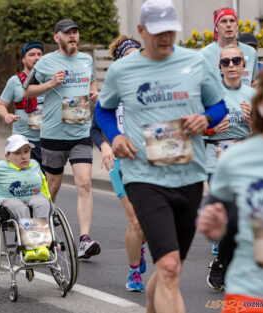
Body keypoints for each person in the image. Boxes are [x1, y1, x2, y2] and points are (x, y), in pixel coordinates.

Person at [96, 0, 227, 312]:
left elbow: (218, 104)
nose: (166, 37)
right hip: (144, 176)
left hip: (190, 175)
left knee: (170, 269)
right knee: (168, 267)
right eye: (158, 32)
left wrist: (207, 119)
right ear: (141, 31)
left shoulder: (195, 63)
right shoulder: (122, 69)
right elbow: (103, 109)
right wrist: (115, 137)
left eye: (171, 31)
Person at [197, 62, 263, 313]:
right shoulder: (237, 159)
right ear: (262, 105)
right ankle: (221, 265)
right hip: (252, 293)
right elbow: (216, 217)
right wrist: (212, 223)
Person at [24, 19, 100, 259]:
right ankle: (38, 239)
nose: (73, 37)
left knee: (85, 183)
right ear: (57, 37)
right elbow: (27, 90)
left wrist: (94, 91)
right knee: (52, 187)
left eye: (75, 32)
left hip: (80, 133)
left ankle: (84, 240)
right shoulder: (46, 62)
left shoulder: (86, 60)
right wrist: (50, 84)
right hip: (53, 134)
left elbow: (92, 81)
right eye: (67, 33)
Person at [92, 35, 147, 292]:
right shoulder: (112, 92)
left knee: (147, 221)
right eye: (128, 56)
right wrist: (105, 145)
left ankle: (140, 246)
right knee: (135, 221)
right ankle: (134, 272)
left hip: (150, 162)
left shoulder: (153, 88)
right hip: (121, 163)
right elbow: (94, 128)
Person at [204, 44, 255, 291]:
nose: (232, 65)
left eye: (236, 61)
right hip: (217, 160)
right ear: (220, 67)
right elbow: (194, 130)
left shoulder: (254, 95)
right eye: (226, 62)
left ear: (244, 65)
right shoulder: (211, 95)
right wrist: (213, 129)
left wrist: (254, 120)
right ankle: (223, 264)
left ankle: (224, 262)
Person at [0, 134, 52, 262]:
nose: (23, 156)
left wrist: (49, 203)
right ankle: (29, 248)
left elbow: (43, 185)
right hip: (6, 200)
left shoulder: (35, 165)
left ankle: (42, 248)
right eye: (17, 153)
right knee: (20, 207)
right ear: (7, 156)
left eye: (26, 151)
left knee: (42, 203)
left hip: (33, 198)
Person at [0, 41, 44, 165]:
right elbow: (0, 105)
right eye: (32, 54)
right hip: (23, 140)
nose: (37, 57)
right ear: (23, 59)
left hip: (47, 139)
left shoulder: (49, 80)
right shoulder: (14, 81)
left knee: (46, 181)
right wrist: (7, 115)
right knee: (25, 180)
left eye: (39, 54)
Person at [200, 7, 258, 87]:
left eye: (232, 21)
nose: (228, 25)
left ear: (237, 25)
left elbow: (254, 83)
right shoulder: (204, 54)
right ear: (216, 27)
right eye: (223, 21)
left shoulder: (251, 52)